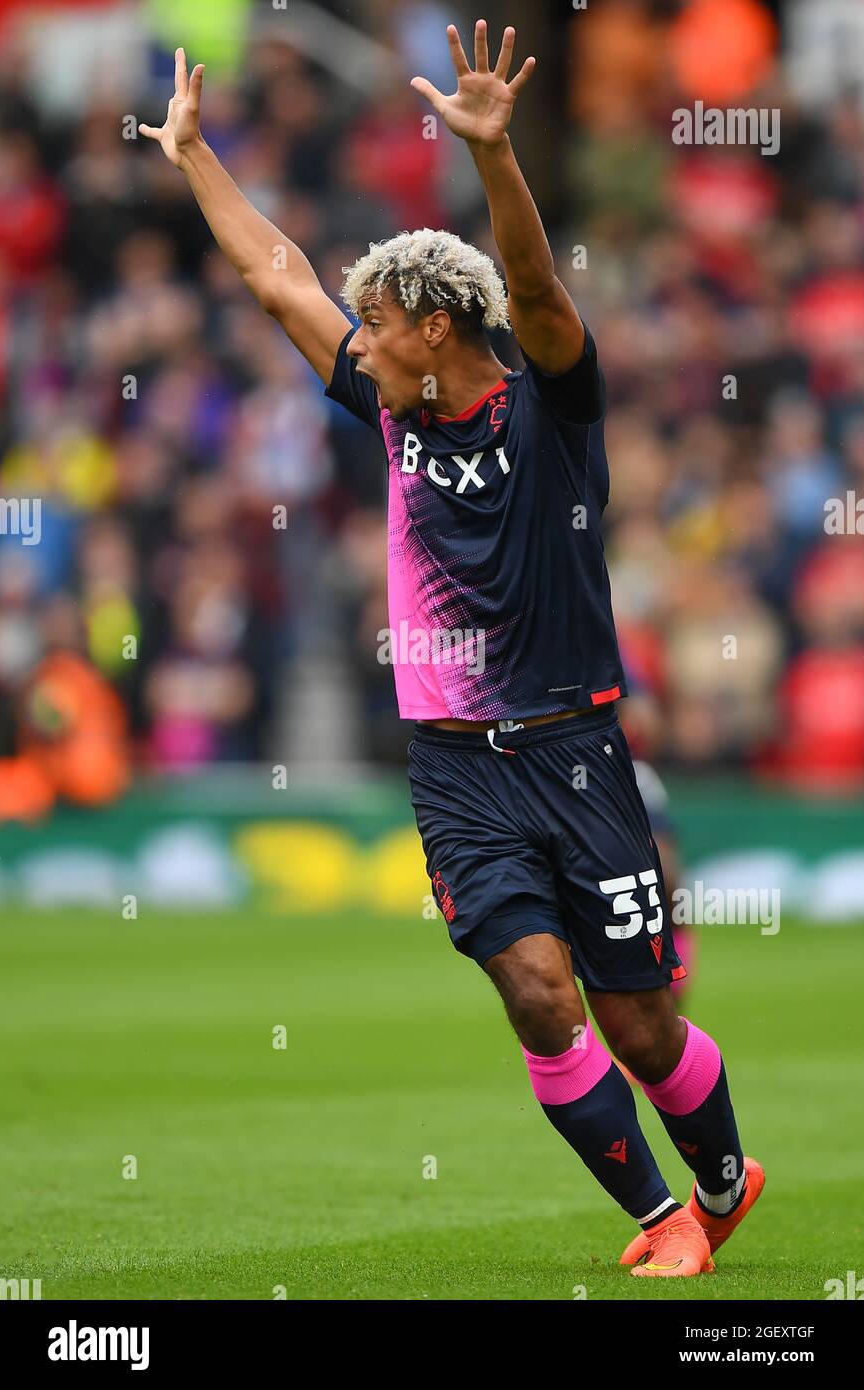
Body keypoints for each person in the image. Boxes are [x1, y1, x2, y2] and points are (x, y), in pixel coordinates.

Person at [140, 22, 763, 1277]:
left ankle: (719, 1176)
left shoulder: (551, 401)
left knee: (642, 1024)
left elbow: (532, 291)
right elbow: (278, 276)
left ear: (431, 323)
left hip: (578, 747)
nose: (355, 344)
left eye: (374, 325)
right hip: (453, 766)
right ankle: (661, 1220)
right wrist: (197, 156)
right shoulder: (386, 410)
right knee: (537, 992)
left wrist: (493, 158)